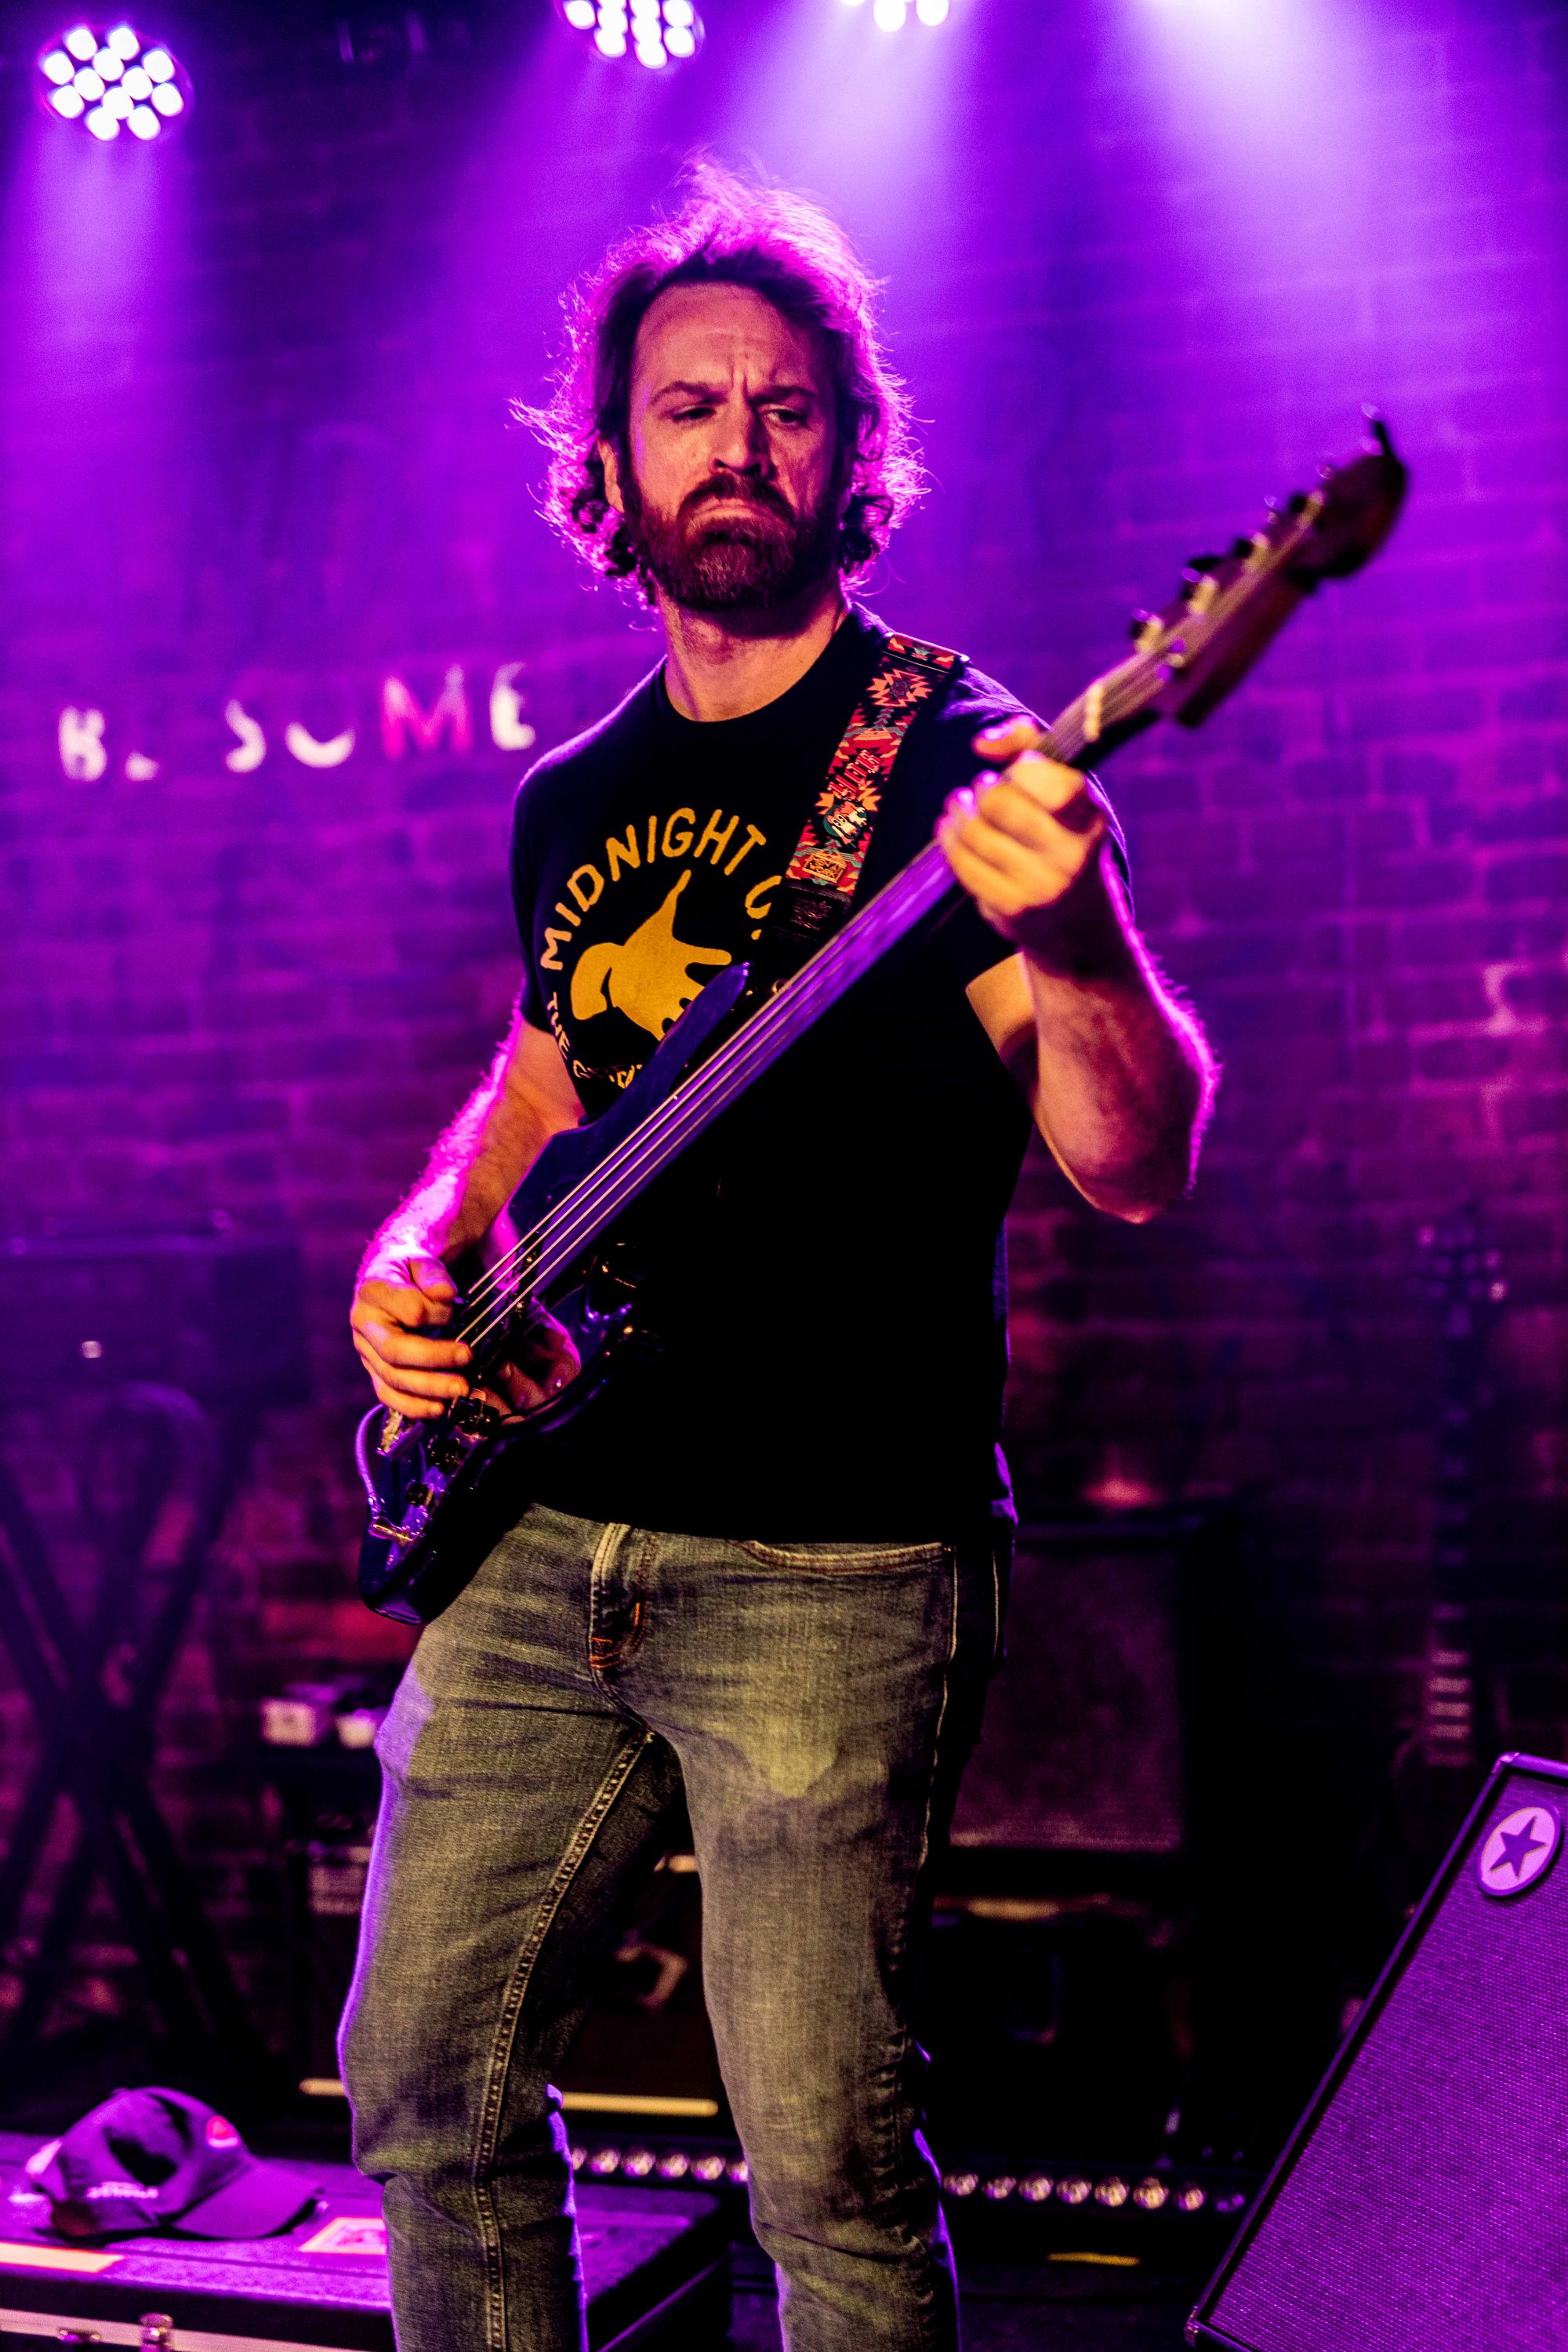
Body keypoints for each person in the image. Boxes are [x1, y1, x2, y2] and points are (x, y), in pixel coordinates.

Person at [340, 168, 1215, 2352]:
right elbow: (552, 1071)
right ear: (611, 463)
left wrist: (1075, 931)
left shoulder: (957, 758)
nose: (737, 445)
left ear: (852, 451)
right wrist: (422, 1242)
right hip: (541, 1528)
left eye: (787, 407)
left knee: (821, 2173)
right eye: (687, 407)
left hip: (831, 1564)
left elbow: (1134, 1163)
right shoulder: (569, 794)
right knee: (421, 2088)